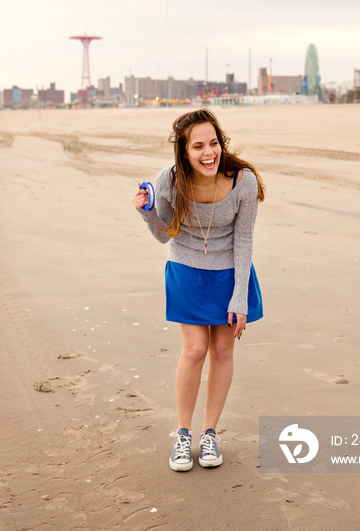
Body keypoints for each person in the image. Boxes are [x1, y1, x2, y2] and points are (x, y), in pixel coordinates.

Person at [133, 108, 265, 471]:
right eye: (198, 146)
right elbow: (164, 235)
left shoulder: (244, 181)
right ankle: (183, 435)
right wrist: (148, 211)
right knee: (194, 350)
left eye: (214, 143)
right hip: (186, 270)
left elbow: (245, 241)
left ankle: (209, 433)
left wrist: (240, 297)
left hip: (229, 274)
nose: (209, 153)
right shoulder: (169, 180)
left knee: (222, 351)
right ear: (184, 150)